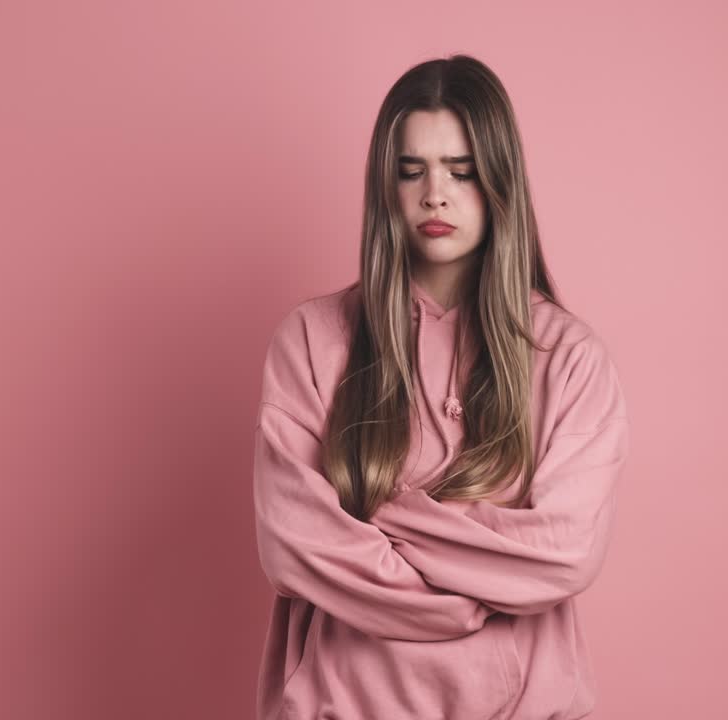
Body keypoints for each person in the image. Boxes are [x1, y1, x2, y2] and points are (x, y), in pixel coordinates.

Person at [252, 53, 630, 720]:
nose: (435, 193)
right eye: (411, 170)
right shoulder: (312, 341)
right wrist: (485, 577)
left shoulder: (569, 358)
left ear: (500, 180)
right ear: (385, 186)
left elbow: (564, 553)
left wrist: (379, 516)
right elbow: (291, 545)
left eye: (462, 171)